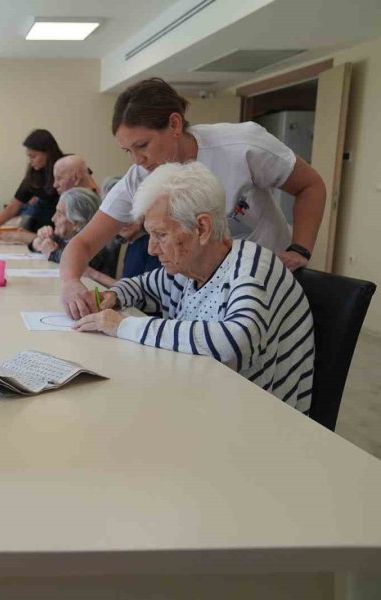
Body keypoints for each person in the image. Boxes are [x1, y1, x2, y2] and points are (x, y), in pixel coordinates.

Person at [59, 78, 327, 319]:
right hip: (203, 287)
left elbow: (310, 186)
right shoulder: (140, 176)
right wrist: (71, 282)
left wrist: (300, 249)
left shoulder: (242, 146)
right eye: (128, 150)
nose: (137, 160)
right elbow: (83, 242)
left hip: (260, 282)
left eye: (142, 146)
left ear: (174, 124)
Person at [74, 162, 314, 412]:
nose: (151, 248)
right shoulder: (189, 266)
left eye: (161, 235)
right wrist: (113, 296)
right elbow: (144, 286)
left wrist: (123, 325)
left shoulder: (252, 269)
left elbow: (233, 343)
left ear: (201, 228)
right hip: (208, 398)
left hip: (262, 420)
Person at [0, 129, 66, 237]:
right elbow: (14, 206)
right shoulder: (34, 174)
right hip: (41, 233)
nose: (30, 161)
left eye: (33, 156)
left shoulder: (68, 165)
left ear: (48, 153)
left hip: (63, 231)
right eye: (29, 156)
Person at [29, 188, 114, 275]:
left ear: (77, 222)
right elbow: (38, 245)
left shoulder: (95, 245)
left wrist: (52, 253)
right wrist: (40, 240)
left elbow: (76, 264)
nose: (53, 219)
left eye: (59, 214)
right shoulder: (63, 237)